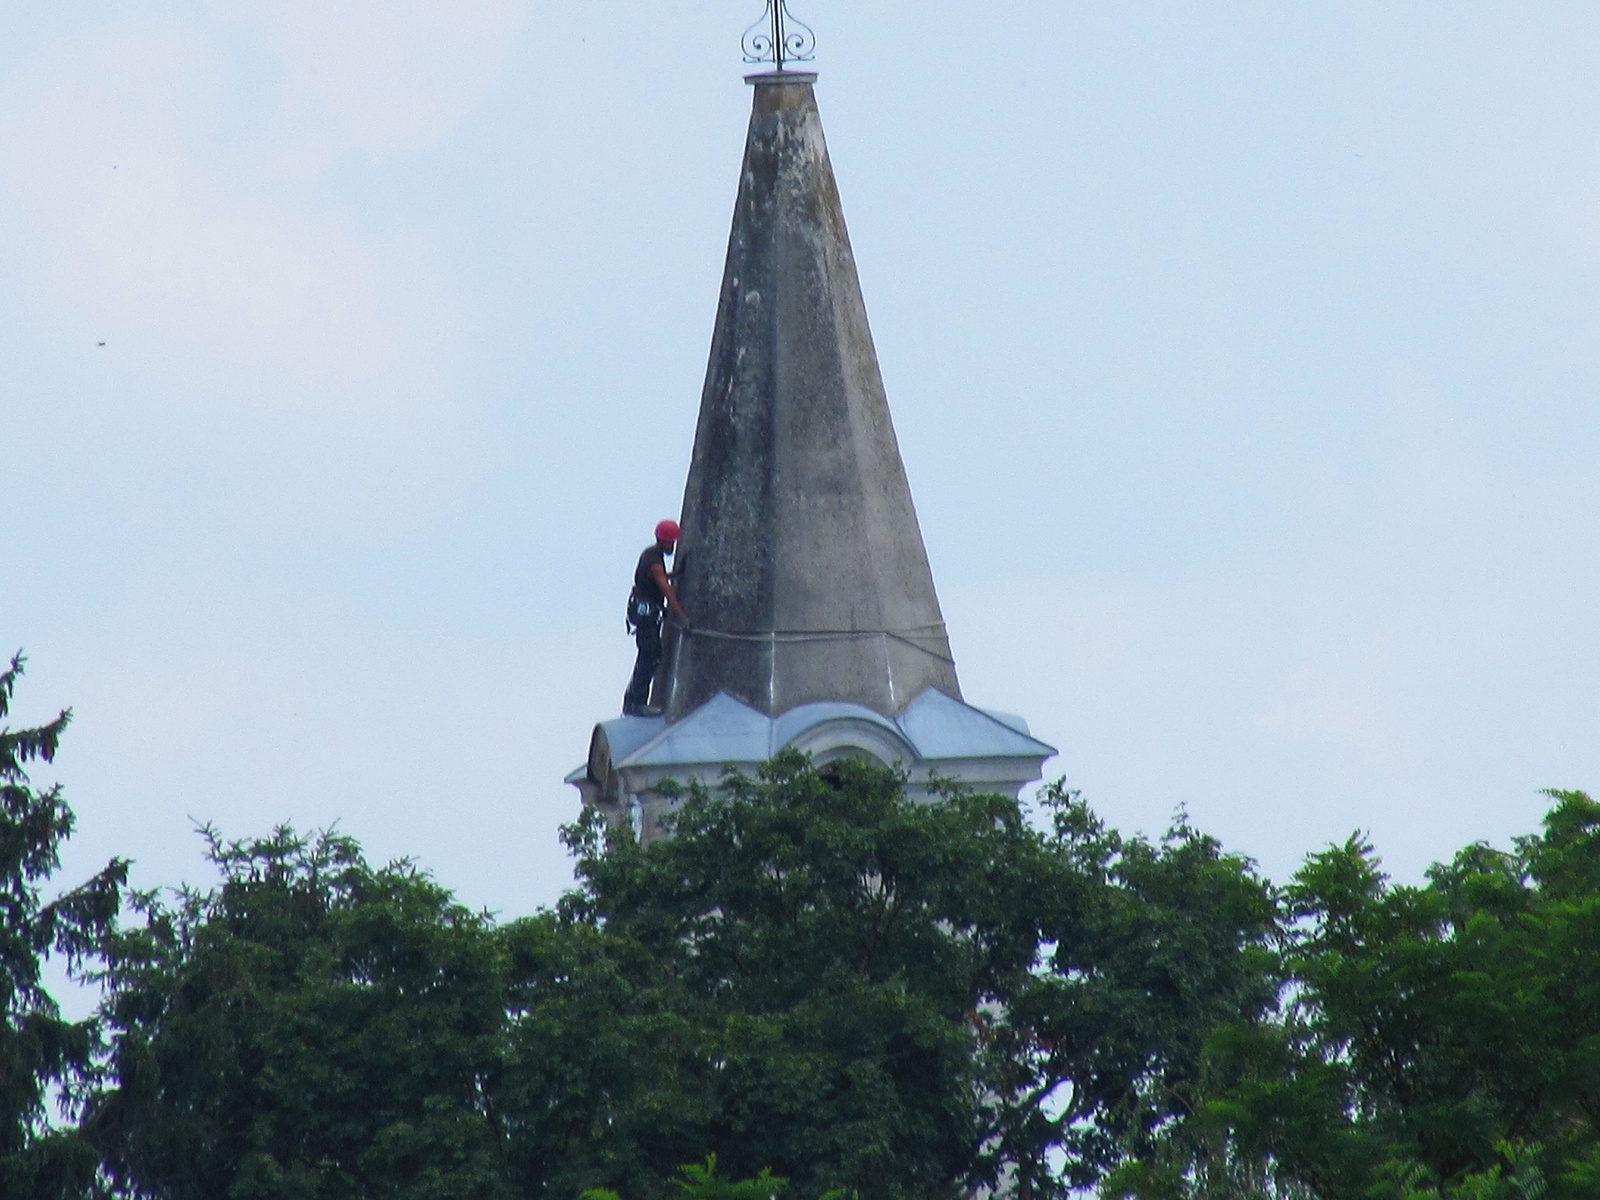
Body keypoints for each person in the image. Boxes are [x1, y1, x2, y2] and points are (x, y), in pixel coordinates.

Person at [623, 518, 688, 716]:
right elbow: (665, 589)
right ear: (663, 541)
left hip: (644, 611)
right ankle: (636, 703)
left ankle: (632, 700)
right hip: (646, 614)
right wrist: (681, 616)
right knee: (650, 655)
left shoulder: (651, 555)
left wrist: (675, 574)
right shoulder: (654, 561)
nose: (673, 546)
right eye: (671, 542)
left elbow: (656, 578)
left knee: (649, 654)